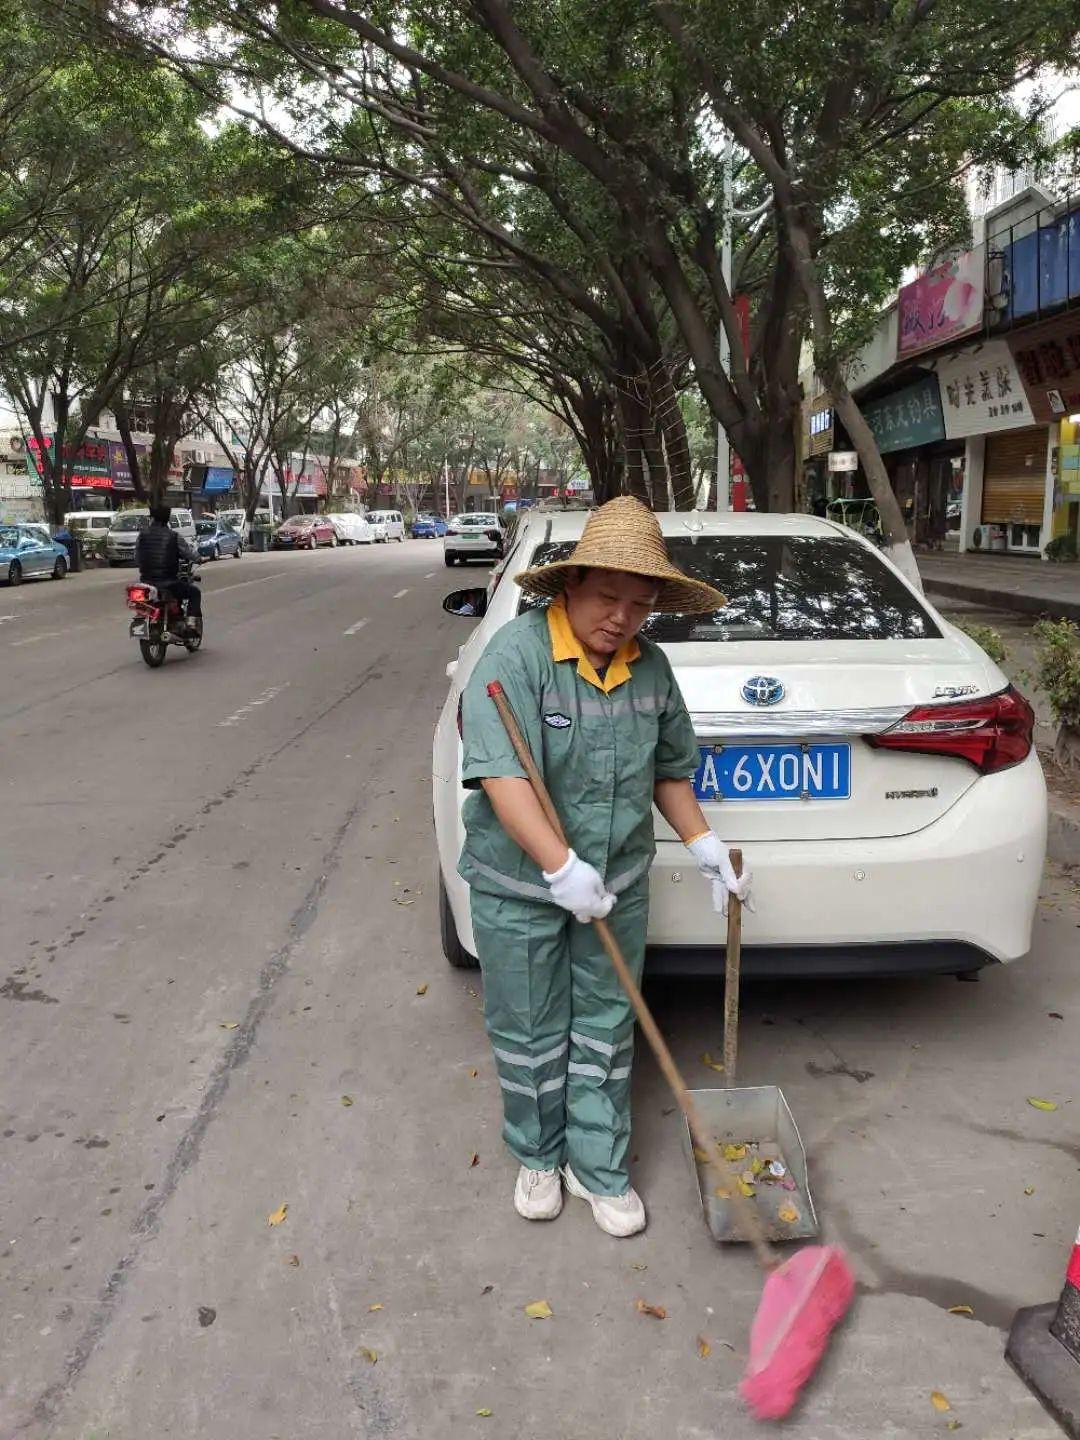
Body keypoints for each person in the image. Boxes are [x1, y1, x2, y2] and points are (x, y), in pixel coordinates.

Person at [459, 497, 753, 1238]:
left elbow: (669, 771)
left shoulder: (650, 670)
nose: (622, 617)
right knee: (528, 1027)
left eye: (640, 604)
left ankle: (599, 1165)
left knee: (603, 1025)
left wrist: (703, 846)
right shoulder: (515, 659)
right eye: (607, 597)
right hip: (520, 888)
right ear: (571, 586)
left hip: (616, 884)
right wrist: (558, 866)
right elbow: (503, 776)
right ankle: (538, 1155)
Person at [134, 504, 202, 633]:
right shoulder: (173, 536)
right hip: (168, 582)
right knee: (194, 592)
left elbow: (136, 558)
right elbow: (189, 554)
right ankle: (191, 624)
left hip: (146, 582)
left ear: (152, 518)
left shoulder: (142, 536)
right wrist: (199, 558)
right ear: (167, 518)